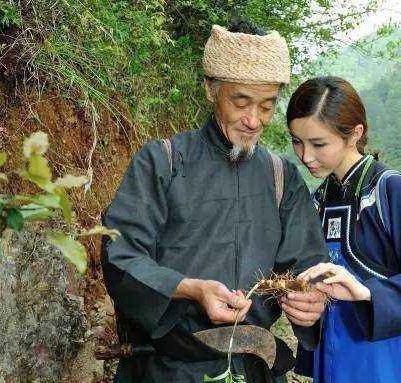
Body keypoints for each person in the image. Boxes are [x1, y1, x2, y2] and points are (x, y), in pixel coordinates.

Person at [102, 21, 328, 383]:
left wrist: (310, 301)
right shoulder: (163, 162)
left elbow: (308, 266)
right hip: (171, 370)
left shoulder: (280, 176)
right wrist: (192, 288)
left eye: (267, 106)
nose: (254, 120)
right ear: (211, 89)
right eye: (241, 102)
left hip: (256, 369)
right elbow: (121, 256)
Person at [285, 76, 401, 382]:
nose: (305, 156)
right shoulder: (318, 201)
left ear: (355, 134)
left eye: (319, 143)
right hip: (339, 352)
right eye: (297, 141)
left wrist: (365, 292)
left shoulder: (390, 190)